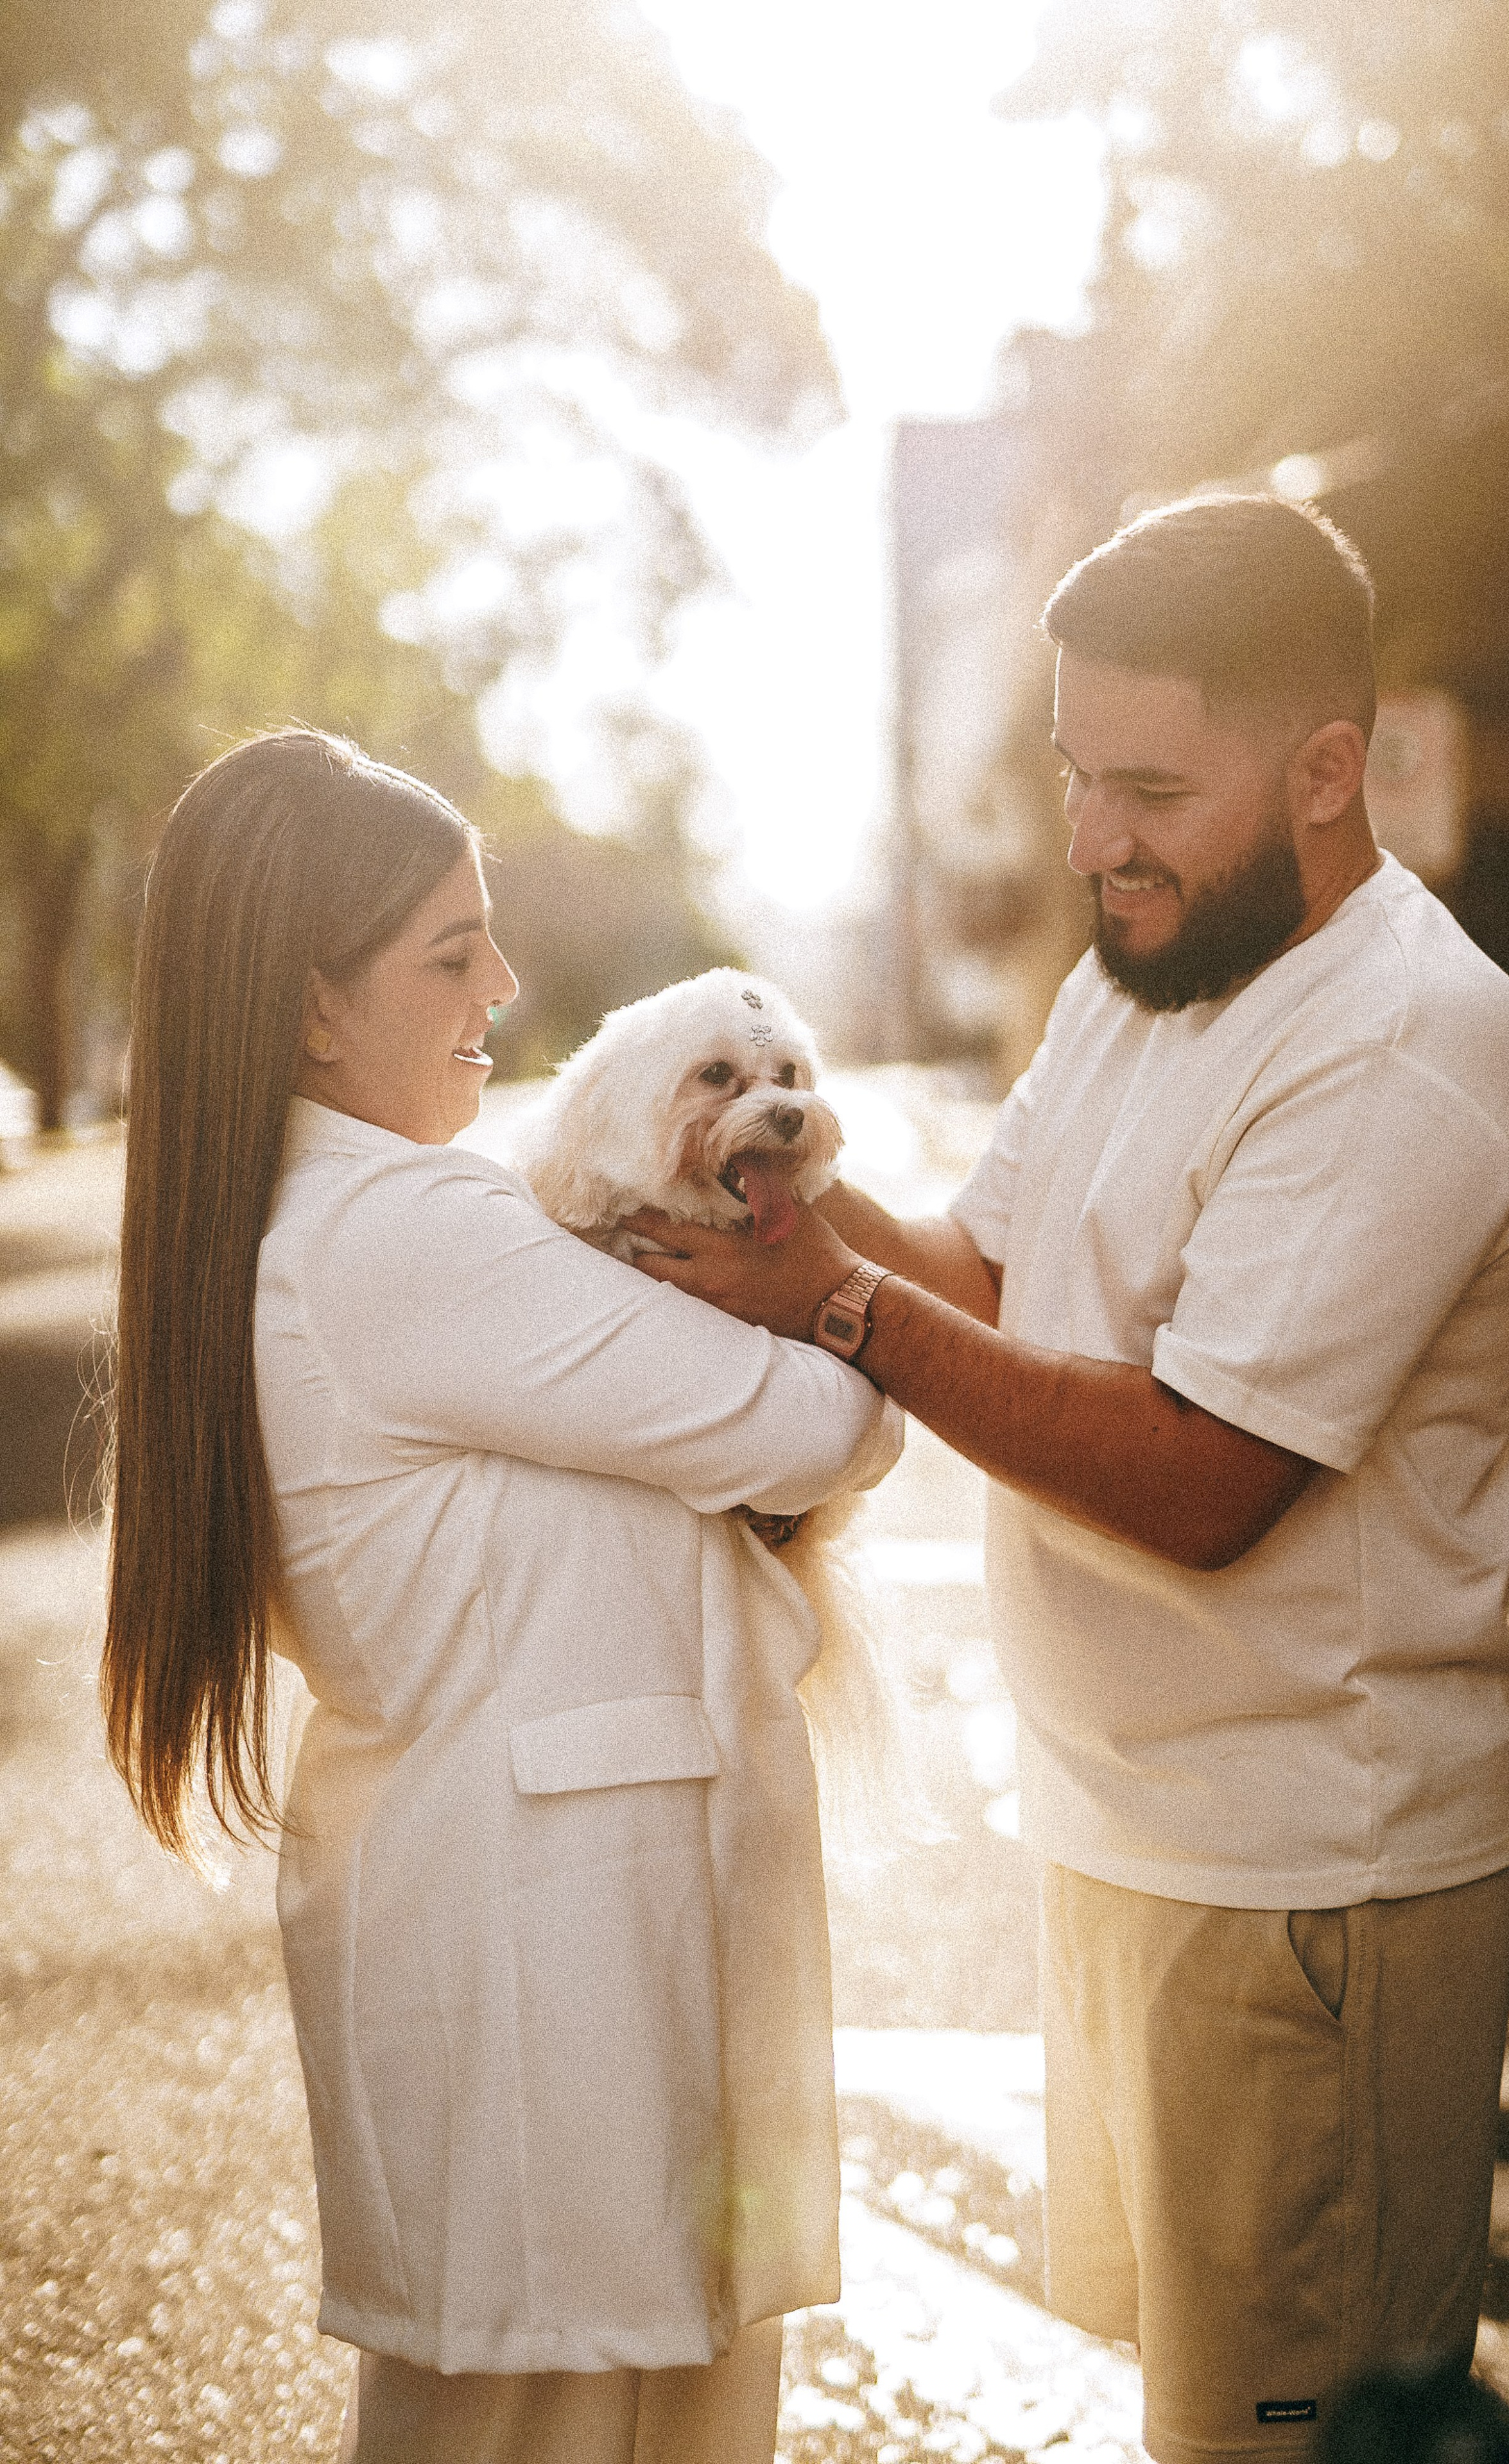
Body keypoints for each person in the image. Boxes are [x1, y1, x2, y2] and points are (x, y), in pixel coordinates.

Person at [627, 496, 1509, 2462]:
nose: (1092, 840)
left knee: (1295, 2441)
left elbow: (1211, 1475)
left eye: (1150, 787)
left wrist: (839, 1310)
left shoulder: (1399, 1042)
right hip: (1140, 1846)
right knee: (1198, 2421)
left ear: (1332, 769)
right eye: (1073, 775)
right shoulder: (1147, 969)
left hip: (1318, 1890)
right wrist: (770, 1162)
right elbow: (984, 1273)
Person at [99, 727, 902, 2464]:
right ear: (317, 1009)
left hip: (571, 1946)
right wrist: (832, 1302)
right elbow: (820, 1426)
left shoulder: (350, 1220)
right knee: (544, 2425)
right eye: (450, 953)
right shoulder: (405, 1232)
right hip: (552, 1974)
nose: (505, 983)